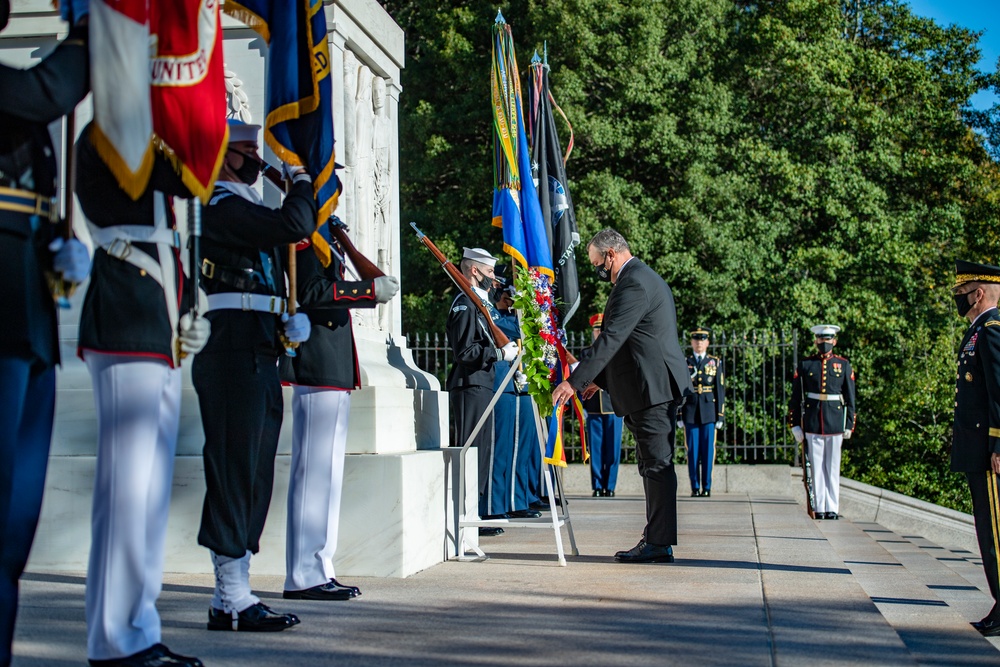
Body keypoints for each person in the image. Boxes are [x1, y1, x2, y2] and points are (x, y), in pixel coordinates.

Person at [75, 116, 212, 666]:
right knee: (127, 492)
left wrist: (184, 309)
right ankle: (114, 637)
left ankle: (137, 628)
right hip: (126, 315)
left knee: (149, 495)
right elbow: (185, 174)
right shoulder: (111, 133)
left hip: (151, 321)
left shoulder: (143, 139)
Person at [193, 120, 312, 632]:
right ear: (222, 158)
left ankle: (233, 594)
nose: (257, 163)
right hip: (231, 348)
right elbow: (295, 224)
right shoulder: (220, 207)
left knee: (256, 472)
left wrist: (285, 316)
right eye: (247, 153)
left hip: (259, 344)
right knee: (234, 470)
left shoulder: (244, 211)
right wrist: (301, 179)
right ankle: (230, 593)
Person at [0, 3, 91, 665]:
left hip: (27, 322)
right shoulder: (19, 92)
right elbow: (48, 91)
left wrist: (55, 250)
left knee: (13, 531)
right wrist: (95, 29)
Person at [552, 229, 693, 563]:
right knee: (651, 463)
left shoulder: (633, 282)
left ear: (611, 254)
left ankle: (659, 543)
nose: (597, 269)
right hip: (649, 385)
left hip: (653, 388)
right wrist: (598, 380)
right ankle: (657, 537)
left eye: (597, 262)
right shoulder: (638, 278)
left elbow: (612, 337)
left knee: (657, 465)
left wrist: (574, 380)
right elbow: (631, 342)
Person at [280, 216, 399, 601]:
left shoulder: (323, 236)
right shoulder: (303, 234)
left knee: (326, 477)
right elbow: (311, 292)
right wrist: (365, 290)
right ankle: (303, 574)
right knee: (313, 475)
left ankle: (318, 567)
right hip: (317, 363)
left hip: (331, 364)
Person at [446, 247, 518, 536]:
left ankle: (473, 514)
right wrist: (498, 354)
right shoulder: (464, 304)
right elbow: (465, 351)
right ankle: (464, 517)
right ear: (474, 270)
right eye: (489, 272)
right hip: (470, 385)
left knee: (482, 453)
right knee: (471, 453)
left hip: (481, 384)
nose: (493, 277)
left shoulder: (478, 304)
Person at [951, 260, 1000, 637]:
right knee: (987, 530)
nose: (959, 300)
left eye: (961, 294)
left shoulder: (992, 330)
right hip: (978, 447)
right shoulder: (978, 331)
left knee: (995, 532)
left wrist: (999, 444)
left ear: (978, 293)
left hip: (989, 451)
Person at [787, 324, 856, 520]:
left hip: (835, 423)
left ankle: (832, 508)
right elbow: (795, 397)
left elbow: (850, 398)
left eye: (827, 339)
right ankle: (819, 507)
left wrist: (849, 423)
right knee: (816, 468)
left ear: (834, 341)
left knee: (833, 468)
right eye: (820, 339)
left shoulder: (843, 365)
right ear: (816, 340)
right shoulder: (806, 365)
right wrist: (794, 424)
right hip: (813, 422)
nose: (824, 343)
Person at [490, 288, 543, 519]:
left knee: (522, 450)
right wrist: (523, 311)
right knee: (505, 451)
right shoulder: (497, 316)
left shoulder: (512, 318)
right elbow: (516, 329)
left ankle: (519, 498)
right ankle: (506, 503)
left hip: (522, 385)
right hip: (506, 385)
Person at [581, 314, 623, 498]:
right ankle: (597, 485)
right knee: (595, 449)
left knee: (613, 449)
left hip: (613, 405)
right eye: (596, 330)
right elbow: (581, 379)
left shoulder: (615, 352)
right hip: (593, 406)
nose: (599, 333)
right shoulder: (586, 353)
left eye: (601, 329)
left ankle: (610, 485)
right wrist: (581, 404)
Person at [682, 327, 725, 498]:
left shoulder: (714, 362)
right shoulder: (685, 362)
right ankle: (695, 486)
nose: (699, 343)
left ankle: (706, 486)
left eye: (702, 340)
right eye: (696, 340)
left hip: (708, 412)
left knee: (708, 451)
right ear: (692, 342)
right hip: (690, 411)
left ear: (707, 343)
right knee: (692, 451)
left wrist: (720, 415)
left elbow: (720, 390)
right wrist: (679, 414)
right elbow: (680, 390)